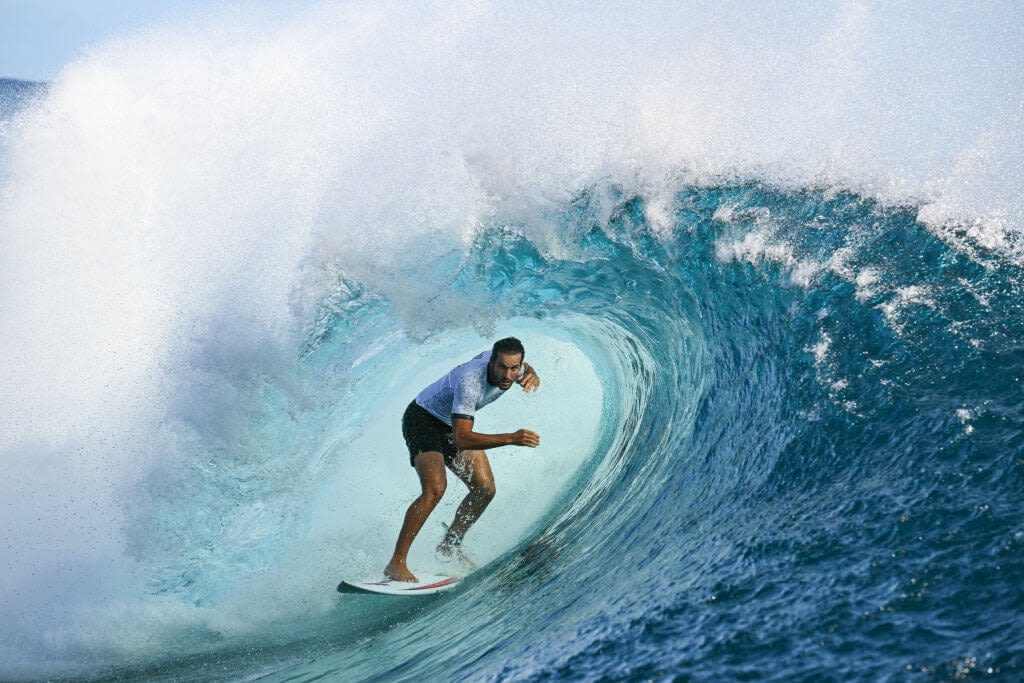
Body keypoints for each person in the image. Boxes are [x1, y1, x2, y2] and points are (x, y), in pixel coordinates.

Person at [383, 337, 541, 582]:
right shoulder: (470, 382)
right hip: (423, 419)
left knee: (485, 489)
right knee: (435, 489)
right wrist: (511, 438)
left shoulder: (513, 367)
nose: (508, 375)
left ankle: (450, 545)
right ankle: (396, 564)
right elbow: (463, 439)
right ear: (491, 362)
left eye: (514, 368)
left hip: (451, 424)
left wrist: (532, 374)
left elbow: (523, 367)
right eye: (502, 367)